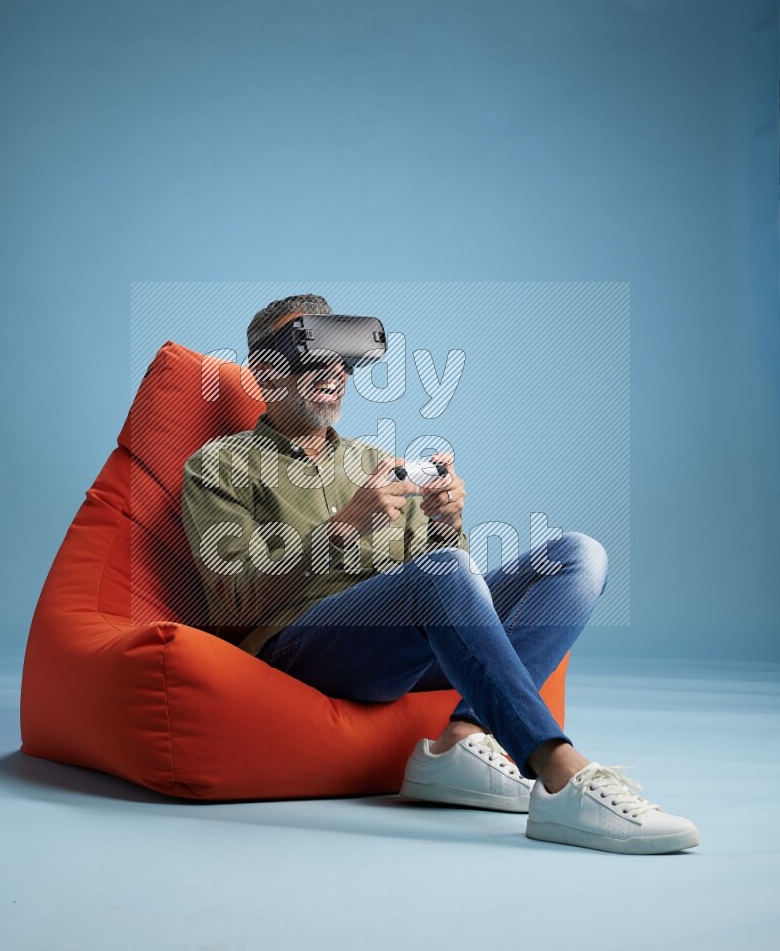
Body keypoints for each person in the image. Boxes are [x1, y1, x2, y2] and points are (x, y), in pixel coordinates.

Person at [182, 293, 700, 855]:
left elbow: (440, 585)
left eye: (344, 356)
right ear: (266, 371)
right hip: (301, 651)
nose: (333, 371)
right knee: (442, 571)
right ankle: (559, 772)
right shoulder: (220, 464)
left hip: (395, 651)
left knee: (577, 555)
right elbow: (233, 603)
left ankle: (462, 738)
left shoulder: (376, 463)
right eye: (312, 354)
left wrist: (447, 524)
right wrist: (344, 527)